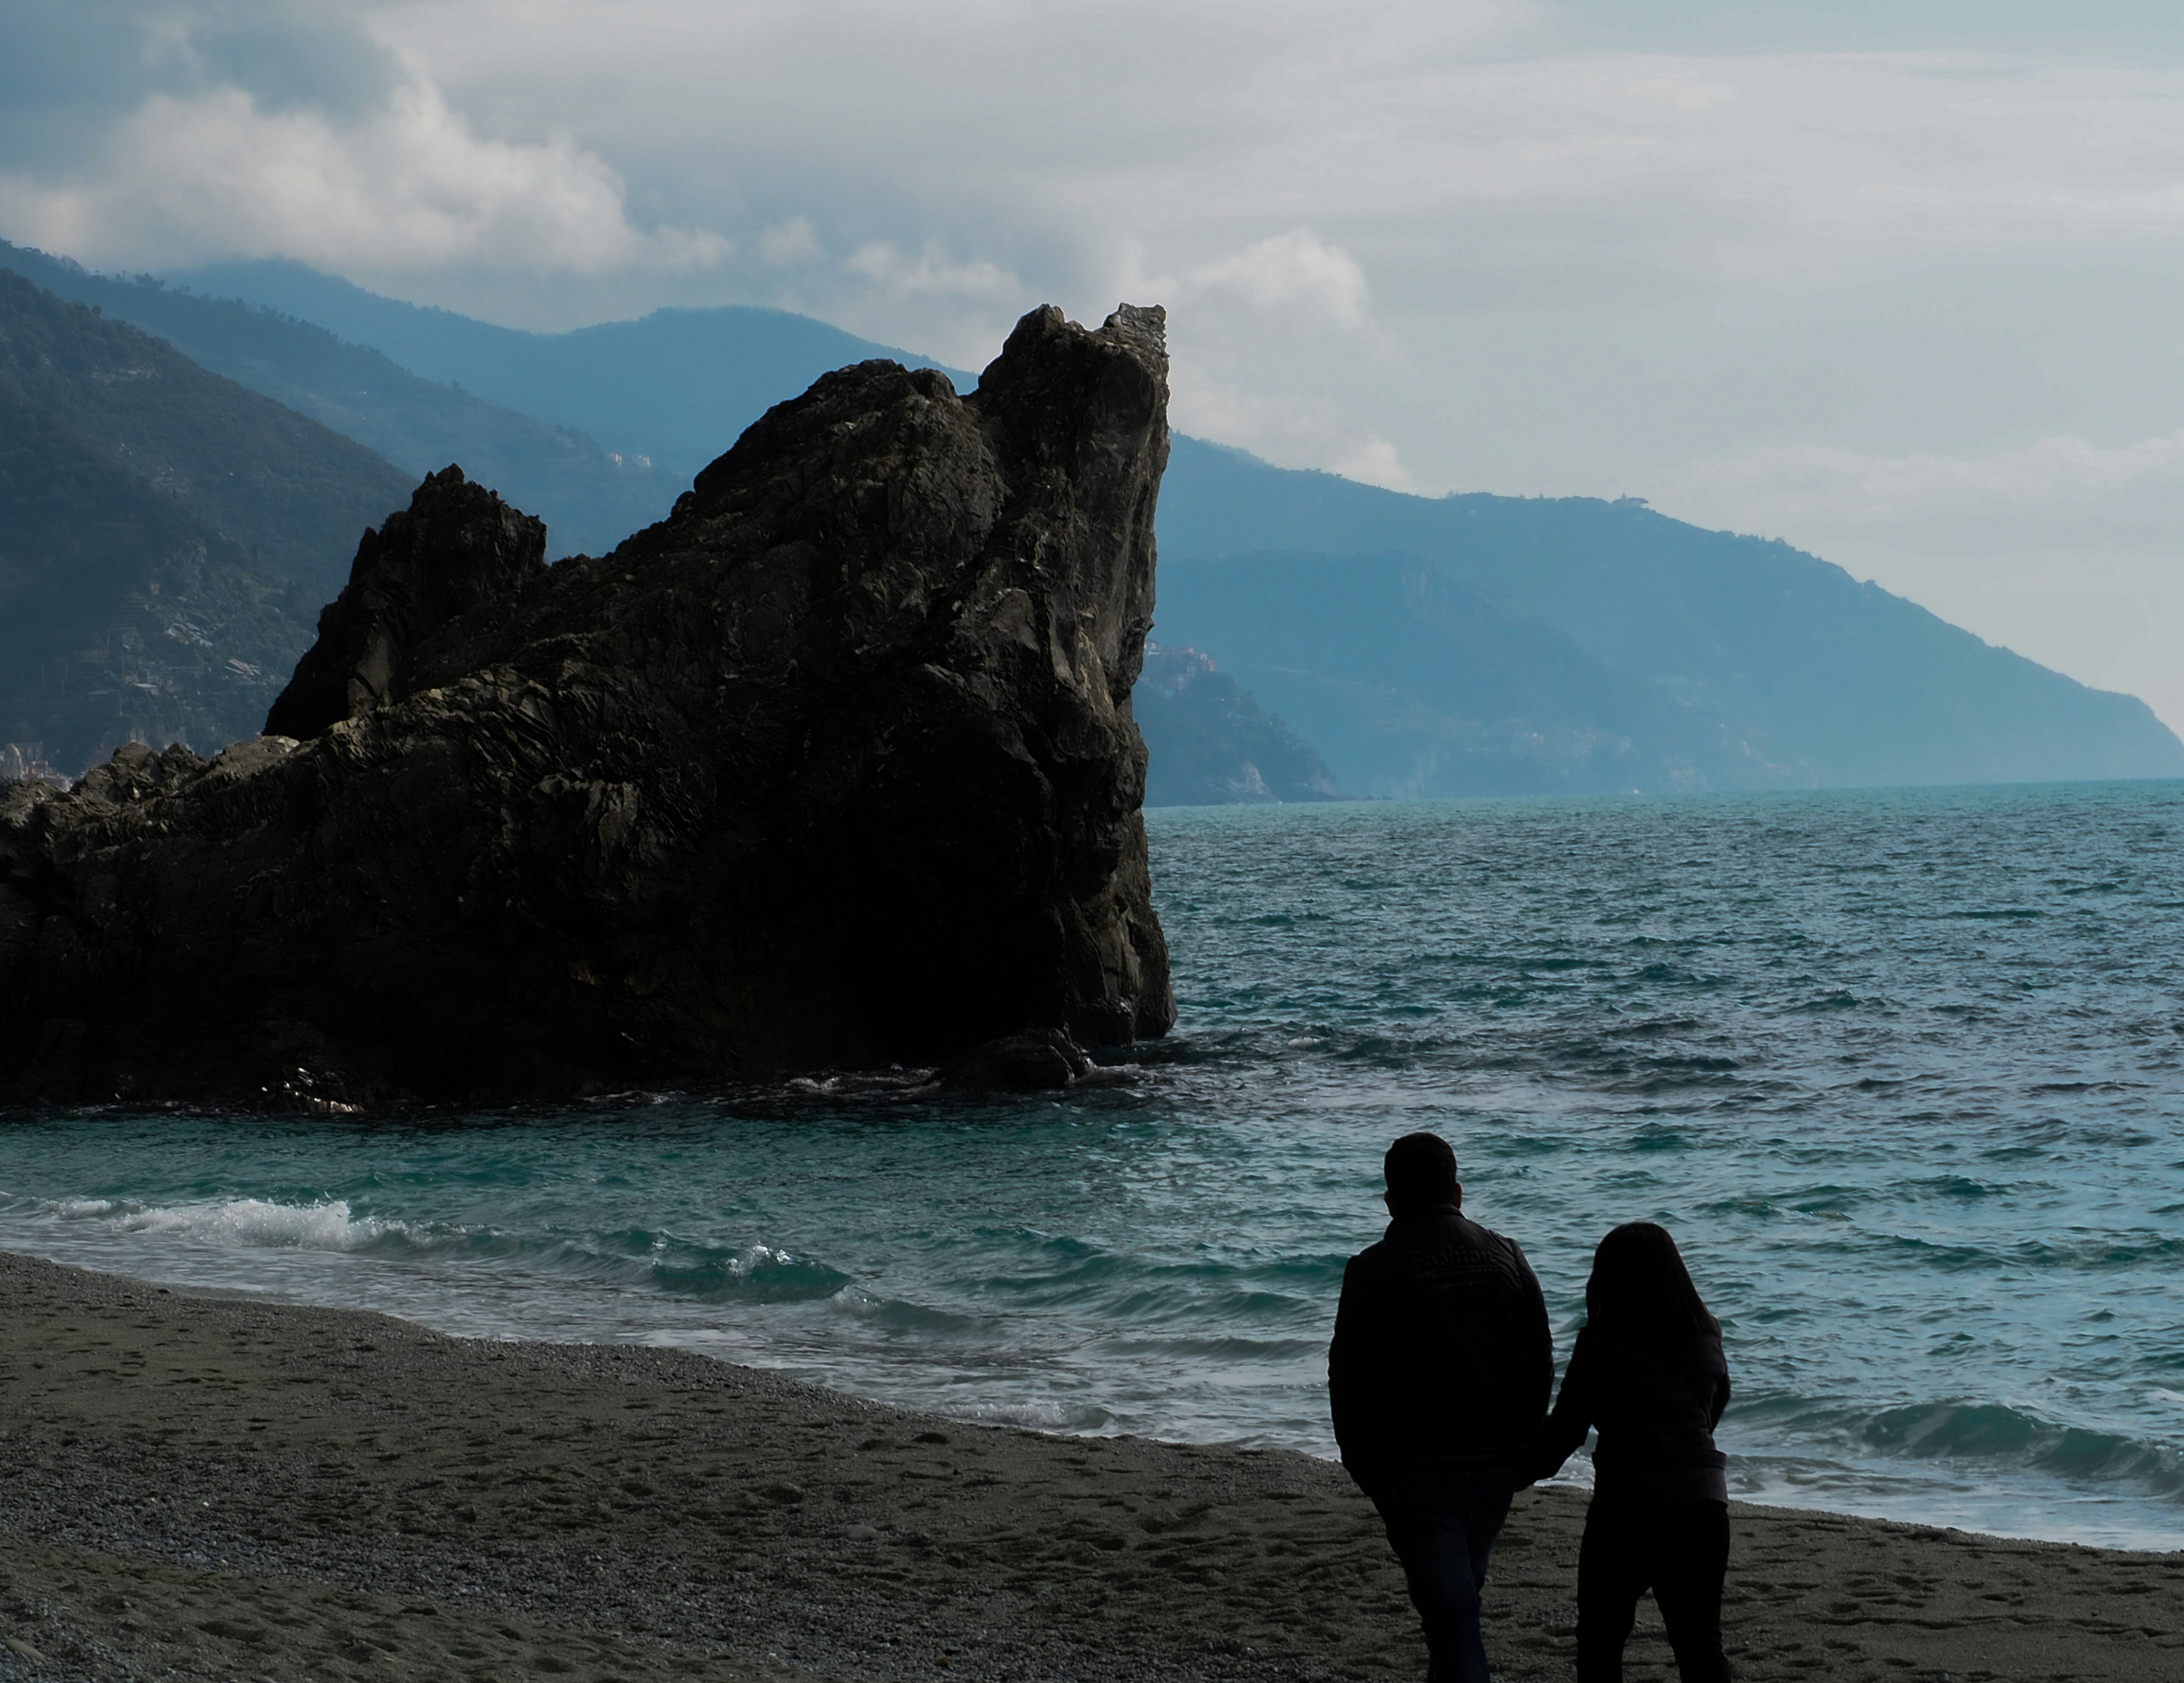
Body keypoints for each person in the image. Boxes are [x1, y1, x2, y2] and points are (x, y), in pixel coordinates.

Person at [1328, 1132, 1554, 1683]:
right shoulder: (1507, 1254)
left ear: (1390, 1199)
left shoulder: (1372, 1268)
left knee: (1452, 1615)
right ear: (1457, 1192)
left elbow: (1348, 1378)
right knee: (1457, 1603)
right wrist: (1528, 1448)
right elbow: (1540, 1360)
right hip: (1498, 1460)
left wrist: (1365, 1469)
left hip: (1413, 1467)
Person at [1527, 1222, 1733, 1683]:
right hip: (1702, 1505)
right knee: (1700, 1648)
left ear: (1607, 1279)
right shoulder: (1707, 1333)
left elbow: (1563, 1435)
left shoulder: (1599, 1344)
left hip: (1626, 1508)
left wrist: (1507, 1472)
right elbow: (1715, 1407)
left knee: (1601, 1641)